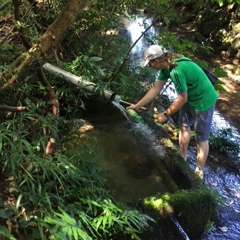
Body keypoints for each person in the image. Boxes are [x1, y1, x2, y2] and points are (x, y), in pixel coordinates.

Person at [127, 45, 218, 179]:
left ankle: (200, 169)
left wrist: (165, 114)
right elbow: (155, 89)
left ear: (157, 61)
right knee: (184, 126)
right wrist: (136, 106)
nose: (150, 66)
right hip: (190, 97)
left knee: (201, 138)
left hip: (204, 101)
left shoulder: (176, 71)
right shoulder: (166, 67)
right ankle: (182, 156)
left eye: (150, 63)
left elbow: (182, 99)